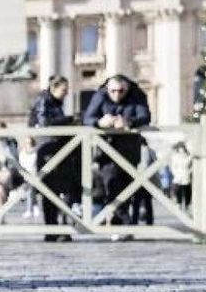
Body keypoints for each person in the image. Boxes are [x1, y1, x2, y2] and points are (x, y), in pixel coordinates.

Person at [82, 74, 151, 237]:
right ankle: (126, 224)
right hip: (106, 150)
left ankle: (119, 227)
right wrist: (100, 122)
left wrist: (129, 122)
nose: (117, 95)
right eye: (113, 91)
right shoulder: (100, 95)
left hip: (129, 150)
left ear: (127, 88)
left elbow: (145, 117)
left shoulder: (137, 95)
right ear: (107, 88)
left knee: (126, 190)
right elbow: (87, 118)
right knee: (111, 185)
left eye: (121, 91)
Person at [28, 76, 79, 241]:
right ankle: (53, 229)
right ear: (53, 88)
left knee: (62, 189)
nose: (66, 93)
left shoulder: (55, 103)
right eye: (64, 90)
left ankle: (59, 228)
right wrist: (69, 119)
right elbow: (45, 123)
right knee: (50, 191)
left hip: (59, 148)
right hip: (49, 150)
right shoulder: (44, 101)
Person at [169, 142, 193, 212]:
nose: (181, 149)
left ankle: (187, 205)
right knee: (179, 190)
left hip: (186, 174)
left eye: (182, 148)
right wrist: (175, 174)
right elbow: (173, 167)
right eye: (180, 148)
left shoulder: (187, 156)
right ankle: (179, 203)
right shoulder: (175, 157)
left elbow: (190, 164)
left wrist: (189, 171)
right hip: (178, 176)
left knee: (187, 190)